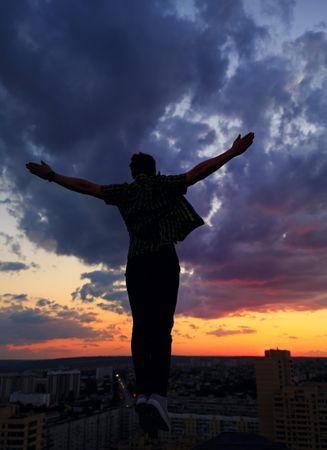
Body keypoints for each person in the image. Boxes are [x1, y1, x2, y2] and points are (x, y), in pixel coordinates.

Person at [26, 132, 254, 437]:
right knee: (161, 328)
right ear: (155, 170)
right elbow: (199, 172)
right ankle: (156, 395)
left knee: (141, 328)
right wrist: (232, 152)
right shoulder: (163, 185)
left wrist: (52, 175)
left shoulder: (125, 192)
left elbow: (86, 186)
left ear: (134, 173)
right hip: (162, 260)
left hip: (136, 265)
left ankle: (144, 392)